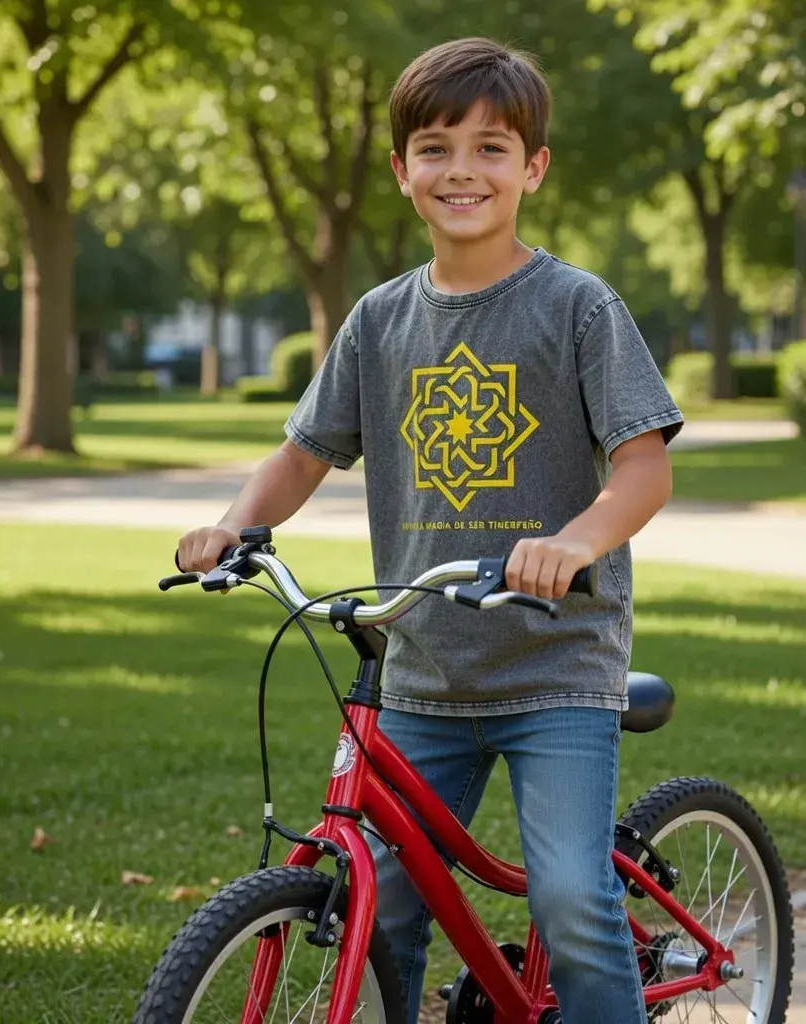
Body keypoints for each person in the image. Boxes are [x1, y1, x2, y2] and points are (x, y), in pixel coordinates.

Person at [177, 37, 683, 1024]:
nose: (463, 170)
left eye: (492, 148)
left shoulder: (577, 306)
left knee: (573, 899)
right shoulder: (378, 320)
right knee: (385, 898)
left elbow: (643, 466)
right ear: (403, 170)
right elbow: (302, 454)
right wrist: (233, 526)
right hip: (420, 671)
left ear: (532, 168)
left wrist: (573, 544)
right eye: (437, 147)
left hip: (554, 664)